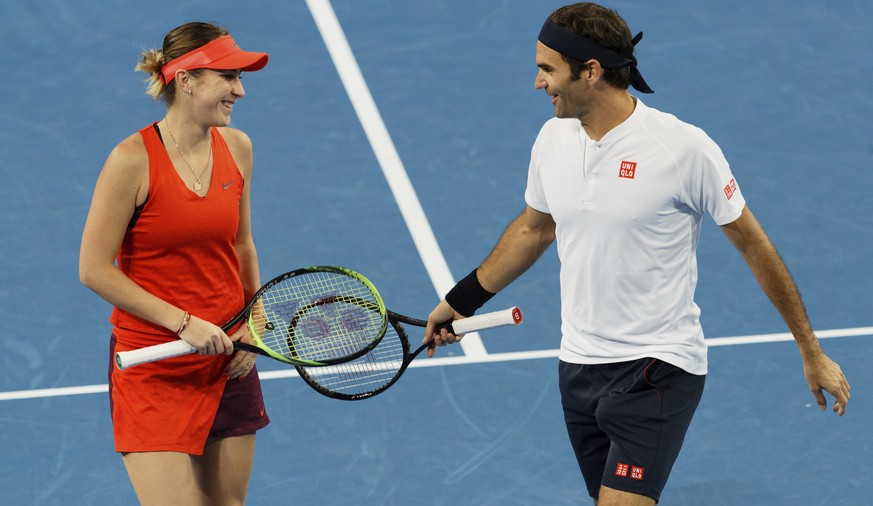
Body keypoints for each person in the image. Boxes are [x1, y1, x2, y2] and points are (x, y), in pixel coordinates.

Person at [424, 3, 850, 505]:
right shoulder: (552, 139)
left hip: (657, 368)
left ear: (591, 71)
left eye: (547, 69)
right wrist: (461, 300)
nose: (538, 84)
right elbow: (533, 231)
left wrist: (810, 349)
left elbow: (754, 245)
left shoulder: (682, 150)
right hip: (578, 365)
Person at [79, 22, 270, 505]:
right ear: (186, 79)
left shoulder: (238, 147)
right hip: (154, 364)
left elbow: (242, 245)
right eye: (228, 77)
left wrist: (256, 321)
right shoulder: (131, 160)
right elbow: (94, 268)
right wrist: (183, 324)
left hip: (229, 355)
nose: (240, 90)